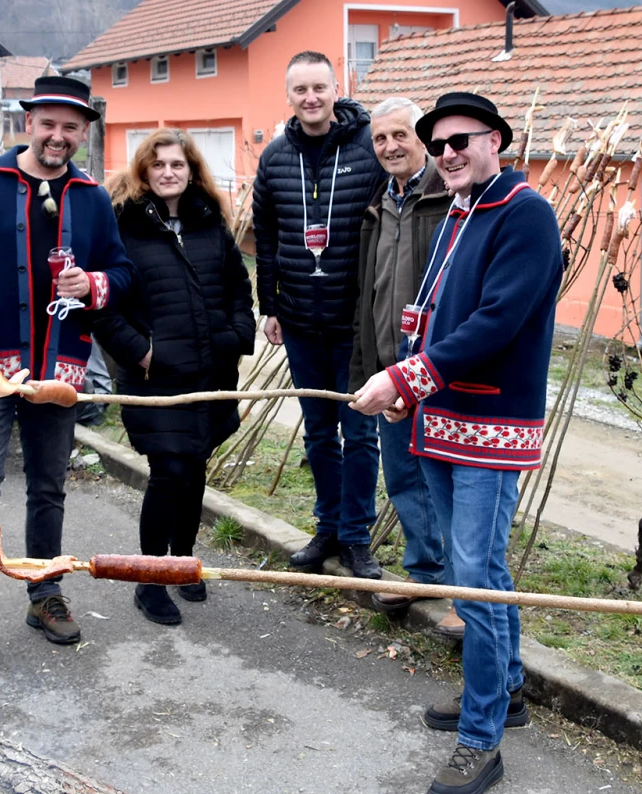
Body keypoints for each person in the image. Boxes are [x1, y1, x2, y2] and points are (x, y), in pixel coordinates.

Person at [350, 92, 562, 794]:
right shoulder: (460, 209)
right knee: (471, 574)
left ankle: (482, 740)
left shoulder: (525, 213)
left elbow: (499, 321)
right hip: (438, 418)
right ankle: (506, 692)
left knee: (477, 576)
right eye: (437, 144)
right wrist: (407, 388)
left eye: (460, 141)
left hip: (491, 431)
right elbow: (430, 312)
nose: (447, 154)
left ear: (495, 140)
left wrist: (410, 375)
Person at [0, 76, 132, 674]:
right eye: (49, 124)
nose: (58, 136)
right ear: (29, 124)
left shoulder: (92, 197)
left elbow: (121, 272)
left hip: (58, 371)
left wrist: (93, 285)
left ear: (84, 133)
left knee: (48, 487)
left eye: (71, 127)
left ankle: (44, 594)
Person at [96, 129, 255, 624]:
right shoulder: (122, 227)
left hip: (211, 371)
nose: (169, 172)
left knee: (196, 466)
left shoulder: (209, 222)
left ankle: (183, 561)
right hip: (157, 377)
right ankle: (150, 578)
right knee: (171, 473)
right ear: (143, 172)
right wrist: (141, 354)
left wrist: (235, 335)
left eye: (178, 165)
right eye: (159, 165)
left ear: (192, 171)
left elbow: (238, 288)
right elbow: (104, 309)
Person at [252, 51, 385, 579]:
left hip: (355, 325)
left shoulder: (369, 148)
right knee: (317, 435)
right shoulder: (276, 156)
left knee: (360, 434)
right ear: (289, 95)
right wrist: (270, 305)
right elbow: (265, 237)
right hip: (302, 322)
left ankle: (356, 538)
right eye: (300, 89)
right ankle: (328, 527)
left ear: (337, 89)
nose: (310, 98)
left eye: (319, 88)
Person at [348, 97, 463, 640]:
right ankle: (424, 574)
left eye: (400, 135)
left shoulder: (450, 198)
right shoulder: (378, 203)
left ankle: (468, 594)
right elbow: (366, 290)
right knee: (401, 477)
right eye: (380, 139)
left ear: (422, 138)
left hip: (437, 369)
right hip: (389, 367)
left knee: (449, 484)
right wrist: (367, 367)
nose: (390, 147)